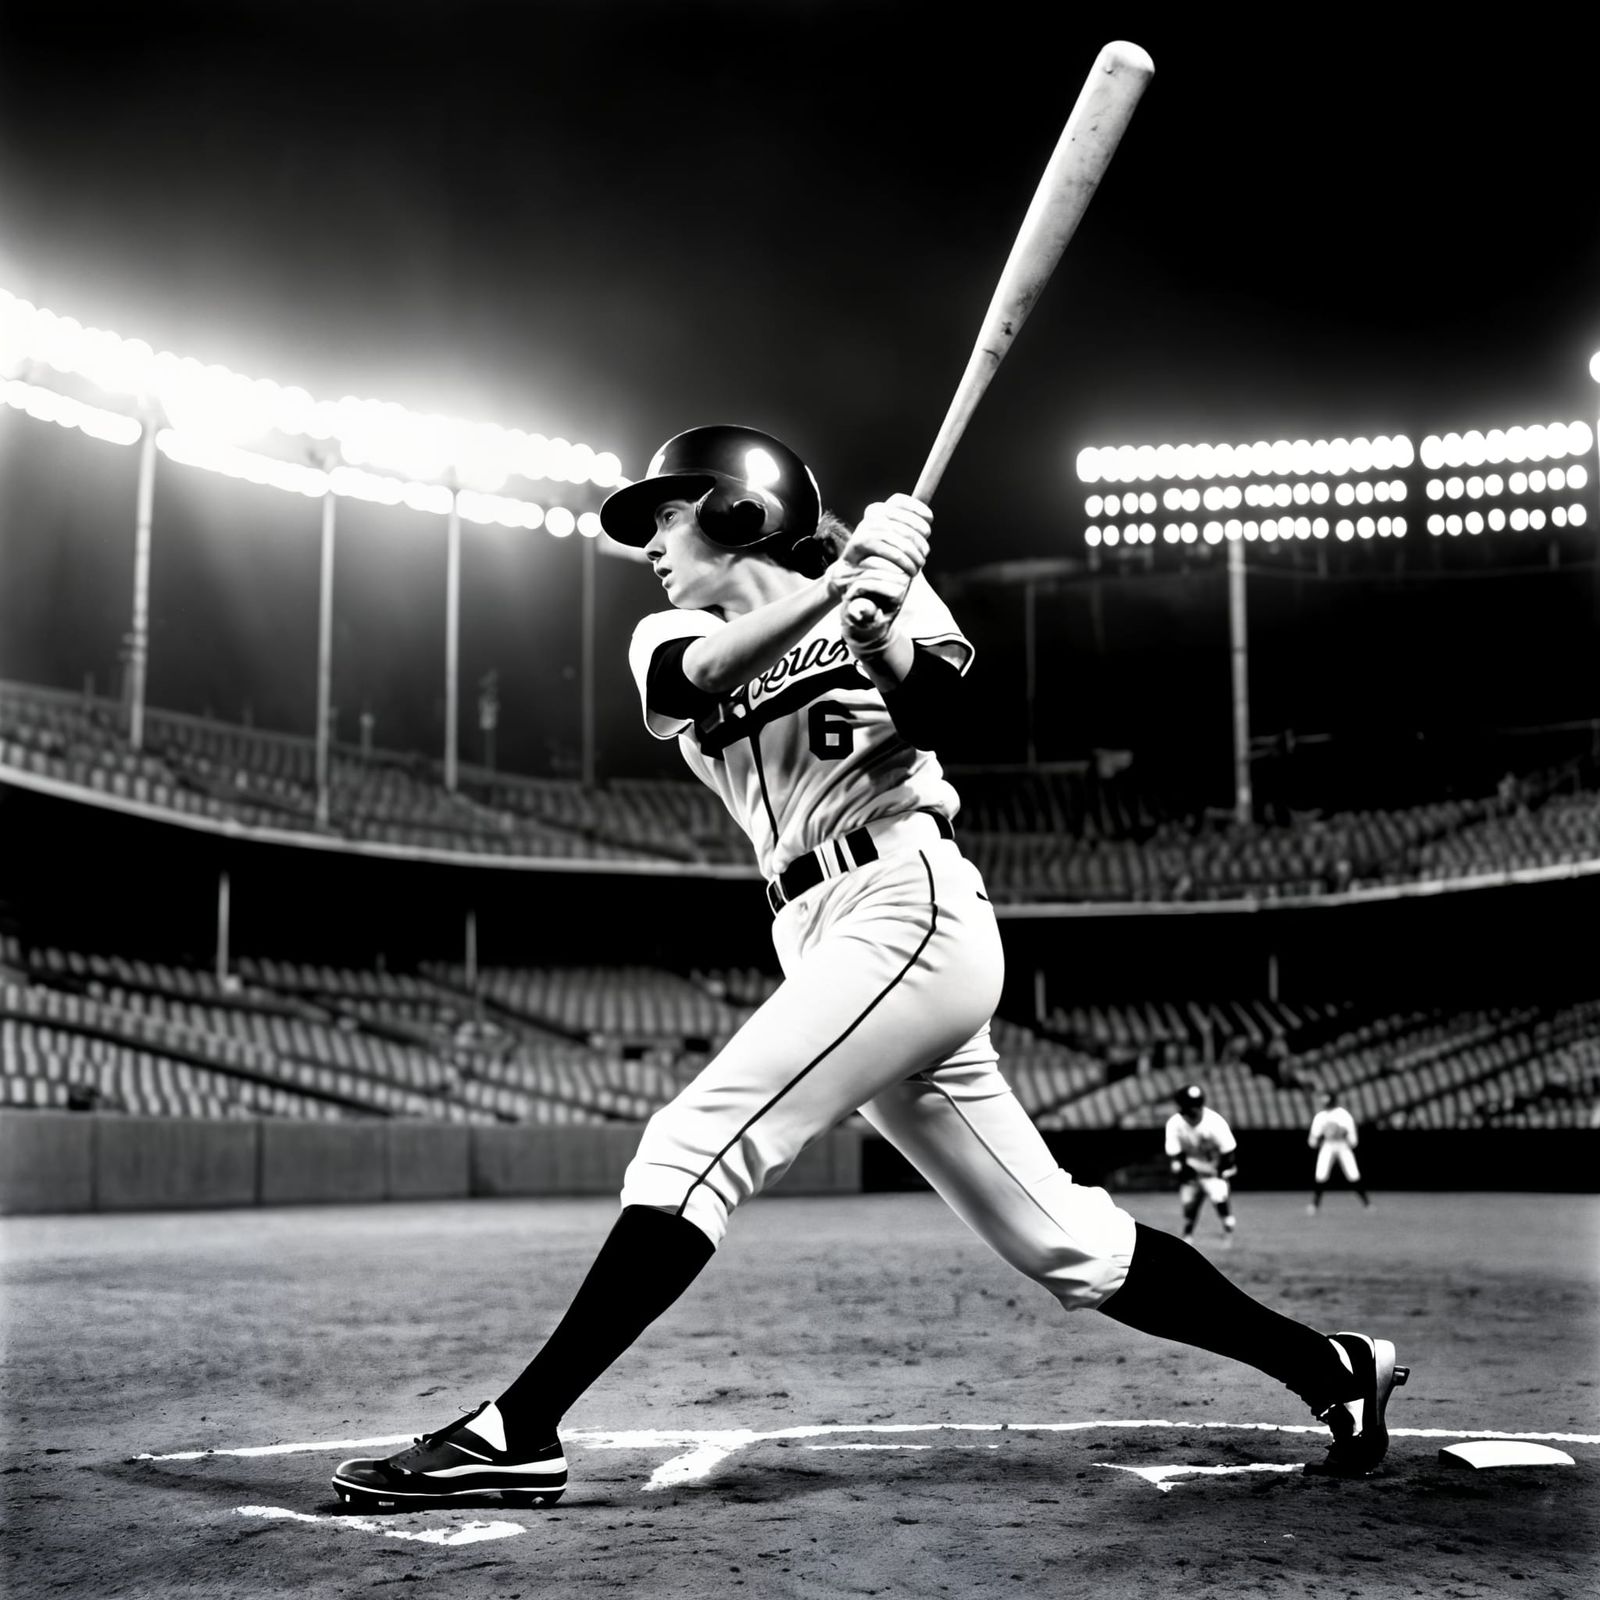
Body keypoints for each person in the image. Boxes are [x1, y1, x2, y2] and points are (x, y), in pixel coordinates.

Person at [330, 425, 1408, 1510]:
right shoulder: (670, 627)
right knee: (1064, 1240)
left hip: (906, 899)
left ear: (740, 507)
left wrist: (884, 627)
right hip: (816, 929)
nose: (647, 542)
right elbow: (690, 680)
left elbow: (945, 718)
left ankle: (521, 1426)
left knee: (698, 1139)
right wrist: (828, 595)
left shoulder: (891, 588)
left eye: (665, 513)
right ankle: (1332, 1367)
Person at [1164, 1084, 1239, 1242]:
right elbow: (1175, 1155)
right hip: (1191, 1167)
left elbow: (1228, 1152)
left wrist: (1220, 1171)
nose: (1194, 1109)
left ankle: (1228, 1230)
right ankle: (1187, 1236)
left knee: (1219, 1199)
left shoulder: (1215, 1122)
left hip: (1213, 1168)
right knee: (1189, 1207)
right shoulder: (1174, 1124)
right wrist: (1181, 1168)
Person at [1307, 1088, 1373, 1212]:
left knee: (1353, 1173)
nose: (1324, 1101)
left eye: (1326, 1098)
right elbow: (1313, 1140)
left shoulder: (1343, 1114)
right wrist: (1321, 1137)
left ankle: (1367, 1203)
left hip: (1343, 1146)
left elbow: (1352, 1138)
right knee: (1321, 1174)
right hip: (1328, 1145)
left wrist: (1341, 1134)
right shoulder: (1320, 1116)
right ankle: (1315, 1204)